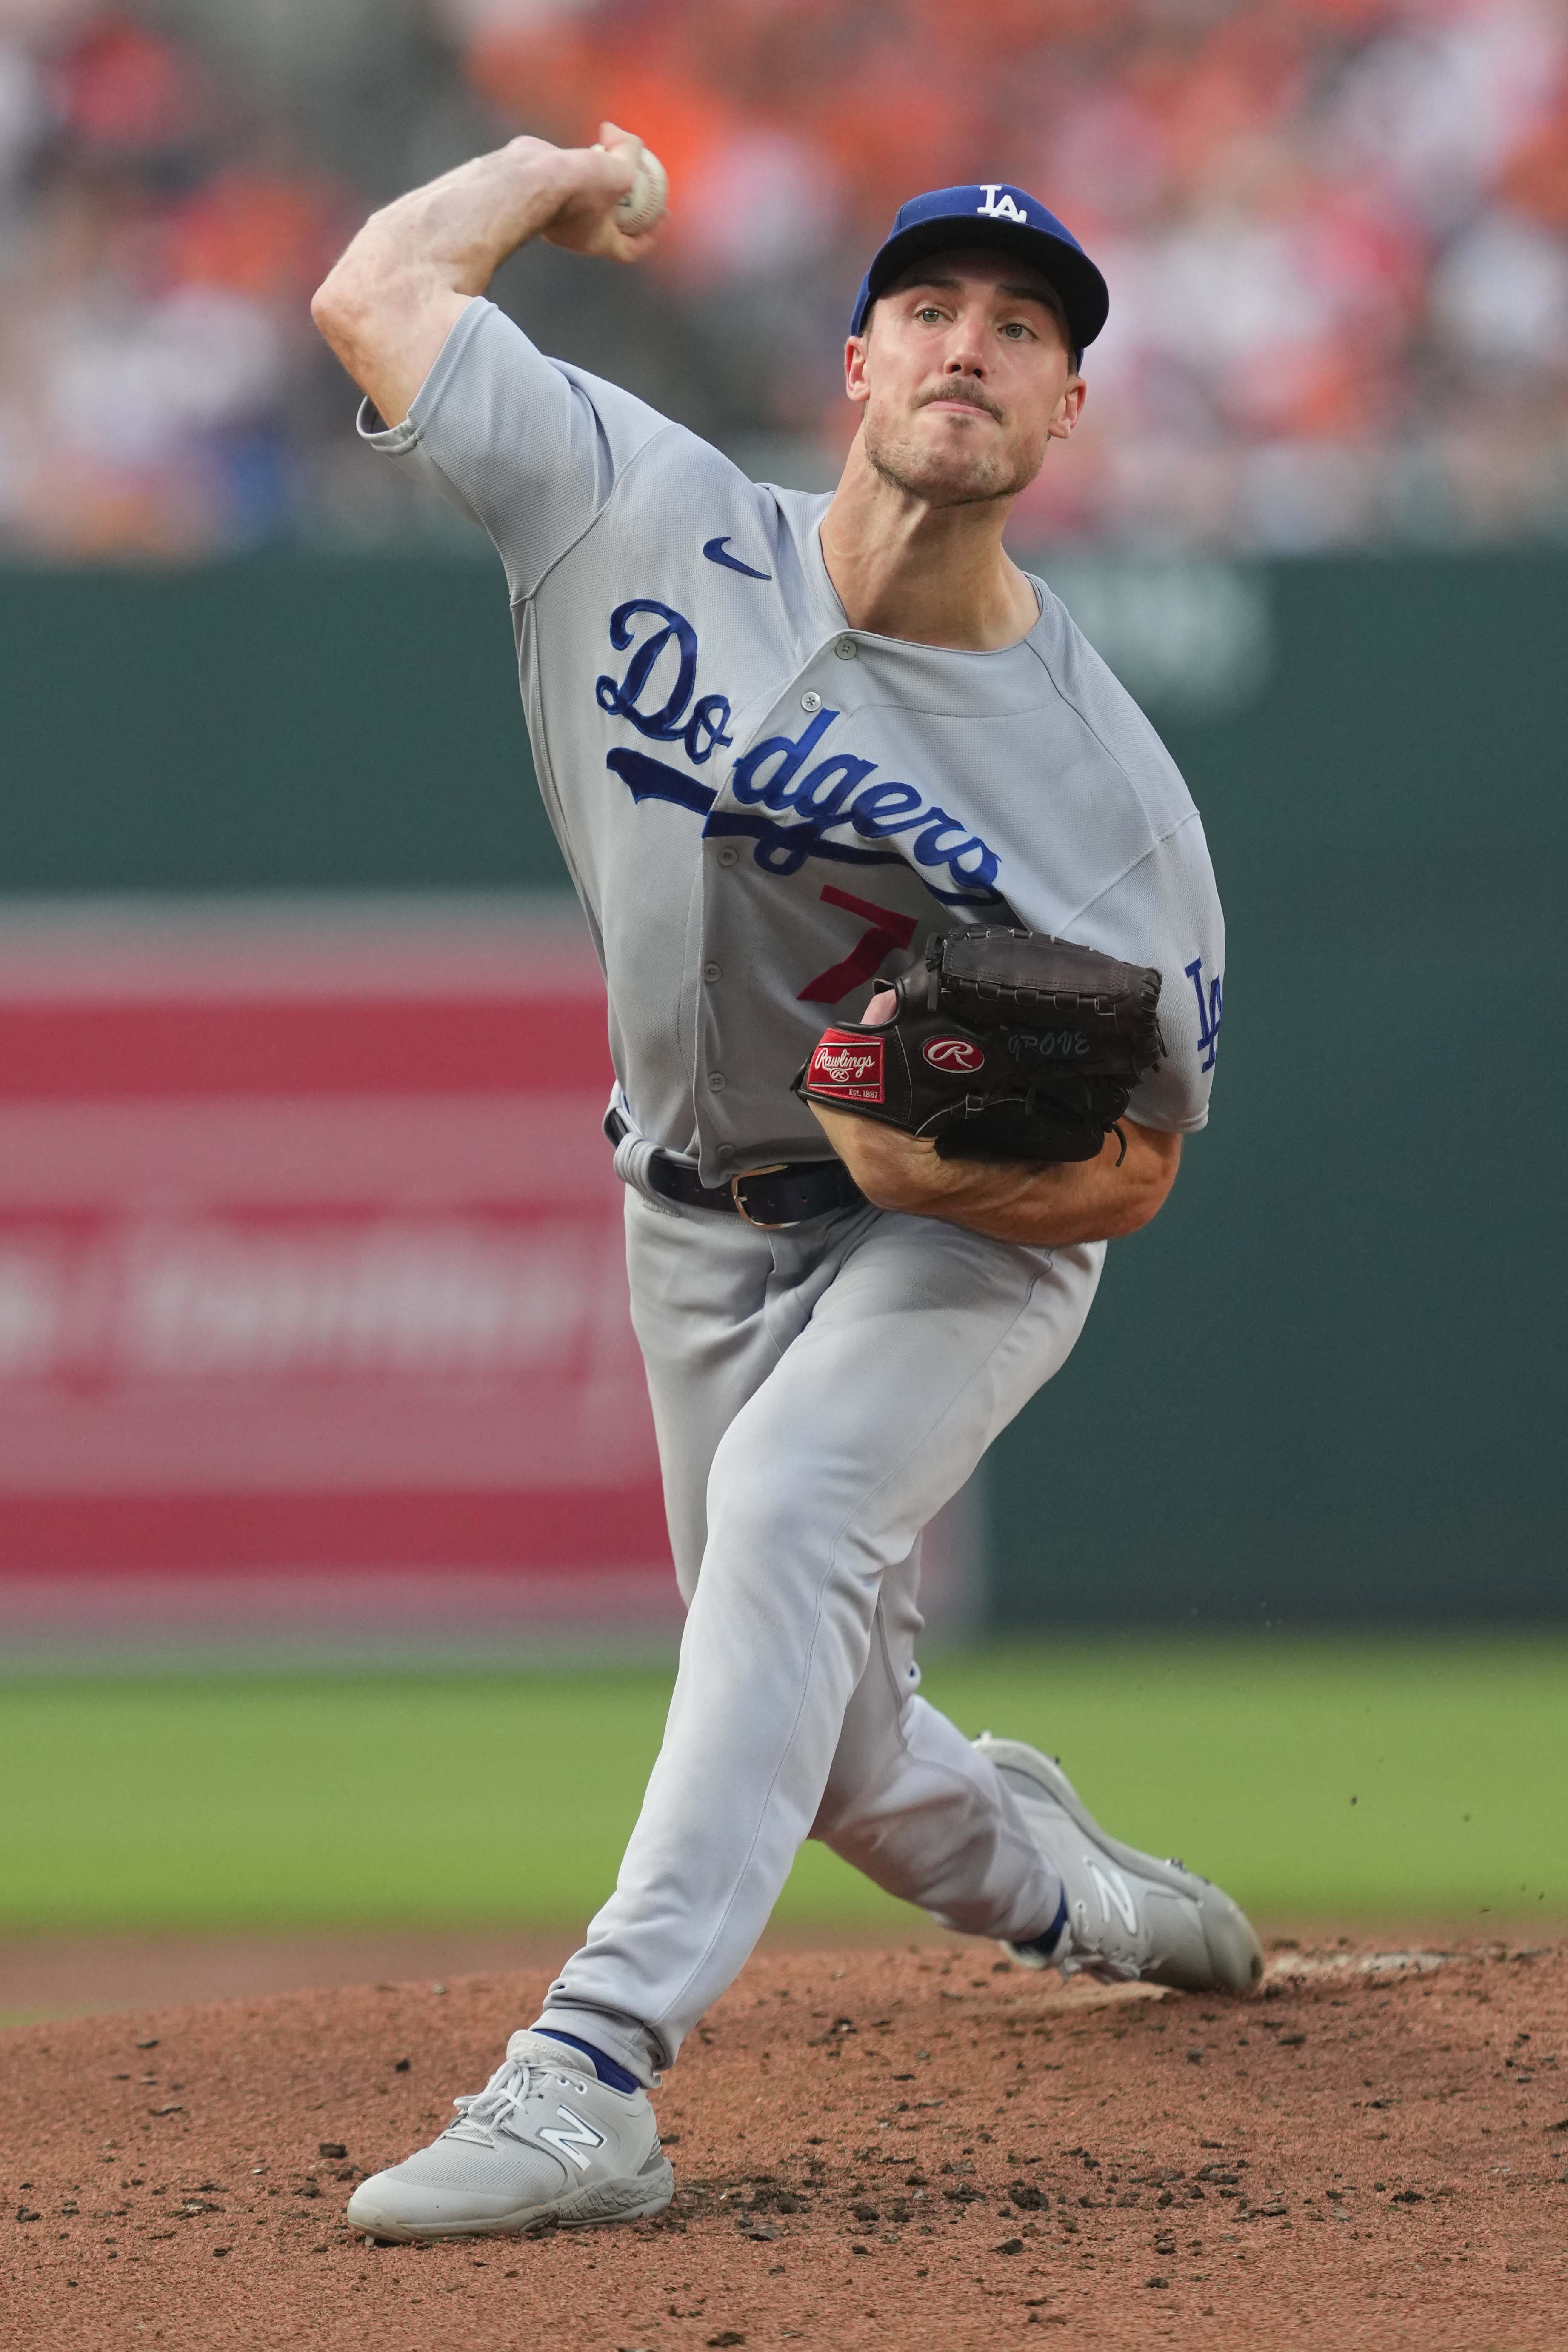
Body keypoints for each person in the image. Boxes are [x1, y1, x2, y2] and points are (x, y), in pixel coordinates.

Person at [312, 130, 1261, 2246]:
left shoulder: (1106, 792)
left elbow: (1142, 1154)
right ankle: (1065, 1880)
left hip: (945, 1240)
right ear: (855, 361)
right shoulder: (635, 505)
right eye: (931, 308)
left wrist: (965, 1174)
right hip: (687, 1211)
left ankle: (588, 2075)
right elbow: (377, 296)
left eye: (1025, 331)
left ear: (1064, 412)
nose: (972, 346)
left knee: (791, 1511)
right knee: (843, 1770)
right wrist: (553, 170)